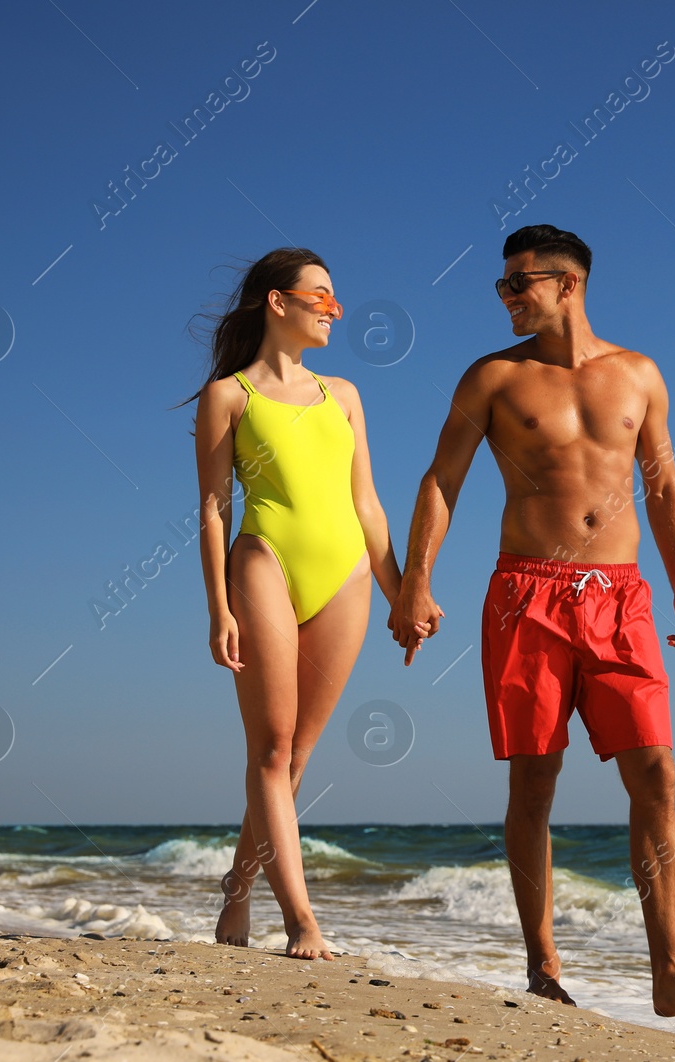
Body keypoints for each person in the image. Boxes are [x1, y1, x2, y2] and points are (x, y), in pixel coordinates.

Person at [391, 224, 675, 1016]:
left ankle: (671, 967)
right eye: (503, 285)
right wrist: (416, 582)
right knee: (535, 777)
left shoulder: (639, 374)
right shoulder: (492, 379)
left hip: (622, 597)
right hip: (527, 593)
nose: (508, 296)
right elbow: (440, 481)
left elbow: (663, 485)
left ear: (569, 284)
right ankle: (544, 966)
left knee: (656, 771)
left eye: (520, 283)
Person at [188, 247, 427, 959]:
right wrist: (218, 608)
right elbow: (211, 508)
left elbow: (369, 506)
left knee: (294, 760)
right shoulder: (229, 395)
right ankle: (303, 921)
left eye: (336, 298)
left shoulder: (344, 395)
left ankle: (238, 887)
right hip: (263, 561)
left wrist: (404, 593)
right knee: (269, 748)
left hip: (347, 572)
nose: (333, 309)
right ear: (277, 302)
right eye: (320, 296)